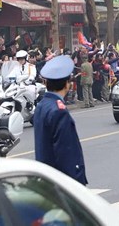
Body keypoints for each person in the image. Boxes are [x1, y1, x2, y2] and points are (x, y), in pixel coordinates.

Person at [33, 55, 88, 185]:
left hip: (46, 177)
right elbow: (66, 152)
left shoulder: (42, 106)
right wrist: (77, 182)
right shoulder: (59, 112)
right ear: (67, 84)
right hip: (61, 182)